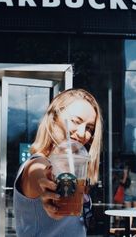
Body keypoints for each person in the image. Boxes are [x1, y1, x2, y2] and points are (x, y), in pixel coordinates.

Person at [13, 88, 103, 237]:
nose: (82, 133)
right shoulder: (37, 164)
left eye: (89, 128)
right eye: (75, 121)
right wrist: (48, 189)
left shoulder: (74, 169)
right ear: (53, 118)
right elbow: (38, 174)